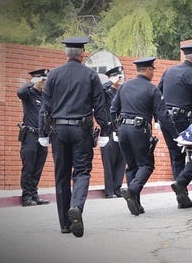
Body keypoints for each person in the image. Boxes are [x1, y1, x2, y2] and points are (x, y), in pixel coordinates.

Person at [38, 36, 111, 237]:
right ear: (82, 54)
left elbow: (45, 108)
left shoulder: (53, 75)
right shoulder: (90, 75)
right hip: (81, 131)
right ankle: (76, 208)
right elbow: (100, 106)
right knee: (81, 172)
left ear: (66, 53)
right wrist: (105, 130)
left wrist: (42, 133)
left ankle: (64, 224)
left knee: (61, 175)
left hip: (58, 131)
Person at [112, 57, 177, 216]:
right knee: (146, 165)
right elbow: (163, 115)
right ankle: (132, 190)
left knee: (132, 166)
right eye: (153, 70)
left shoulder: (124, 86)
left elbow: (113, 109)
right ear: (148, 70)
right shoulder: (152, 89)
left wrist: (117, 129)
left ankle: (136, 203)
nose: (154, 73)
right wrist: (175, 135)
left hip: (123, 130)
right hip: (139, 130)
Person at [158, 41, 192, 209]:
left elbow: (158, 94)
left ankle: (182, 198)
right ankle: (181, 183)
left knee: (176, 156)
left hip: (167, 120)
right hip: (184, 120)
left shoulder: (168, 72)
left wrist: (159, 118)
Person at [17, 68, 51, 207]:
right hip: (30, 135)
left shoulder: (45, 96)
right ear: (36, 79)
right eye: (42, 79)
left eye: (45, 80)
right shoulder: (28, 94)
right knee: (29, 167)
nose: (44, 82)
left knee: (38, 168)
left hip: (42, 136)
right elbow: (19, 92)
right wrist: (32, 82)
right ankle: (27, 197)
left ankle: (34, 195)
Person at [101, 66, 125, 198]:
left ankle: (117, 188)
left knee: (121, 160)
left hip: (122, 130)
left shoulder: (122, 92)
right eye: (117, 76)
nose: (120, 78)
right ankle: (109, 190)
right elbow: (98, 90)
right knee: (109, 161)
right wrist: (111, 81)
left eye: (121, 76)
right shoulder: (106, 92)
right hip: (109, 131)